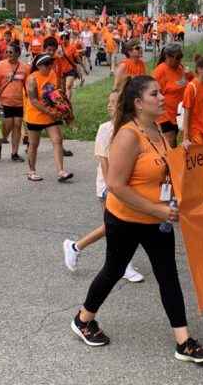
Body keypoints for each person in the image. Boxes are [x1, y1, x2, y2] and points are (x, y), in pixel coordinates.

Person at [71, 75, 203, 364]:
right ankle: (84, 319)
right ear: (138, 103)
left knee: (168, 276)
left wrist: (179, 159)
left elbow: (159, 169)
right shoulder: (128, 135)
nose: (162, 98)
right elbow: (116, 185)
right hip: (124, 218)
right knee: (113, 269)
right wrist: (159, 210)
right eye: (155, 94)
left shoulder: (156, 128)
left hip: (155, 220)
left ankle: (183, 342)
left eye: (161, 93)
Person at [62, 101, 145, 283]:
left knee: (116, 226)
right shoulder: (106, 129)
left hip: (125, 185)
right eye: (108, 102)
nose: (109, 105)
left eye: (114, 102)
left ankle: (75, 247)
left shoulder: (132, 128)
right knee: (119, 226)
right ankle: (123, 265)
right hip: (109, 186)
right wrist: (112, 187)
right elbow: (104, 160)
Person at [23, 54, 73, 182]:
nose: (50, 66)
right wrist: (49, 112)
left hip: (51, 115)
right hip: (35, 116)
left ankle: (61, 171)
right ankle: (31, 171)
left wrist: (63, 108)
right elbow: (33, 100)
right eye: (47, 64)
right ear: (38, 66)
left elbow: (55, 93)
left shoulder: (52, 74)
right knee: (34, 144)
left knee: (58, 140)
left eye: (51, 63)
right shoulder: (32, 79)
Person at [0, 42, 29, 162]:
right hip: (5, 102)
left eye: (11, 52)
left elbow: (27, 85)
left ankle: (14, 153)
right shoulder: (1, 66)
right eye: (7, 52)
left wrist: (30, 99)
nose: (8, 54)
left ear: (18, 53)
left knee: (17, 125)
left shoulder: (24, 68)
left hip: (19, 103)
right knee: (7, 127)